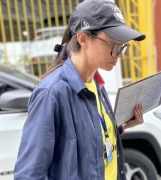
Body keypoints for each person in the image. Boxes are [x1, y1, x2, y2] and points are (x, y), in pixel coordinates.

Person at [14, 0, 146, 179]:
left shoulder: (96, 84)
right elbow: (29, 174)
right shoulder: (51, 93)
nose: (121, 54)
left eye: (123, 46)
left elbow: (91, 136)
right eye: (114, 45)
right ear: (83, 39)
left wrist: (121, 127)